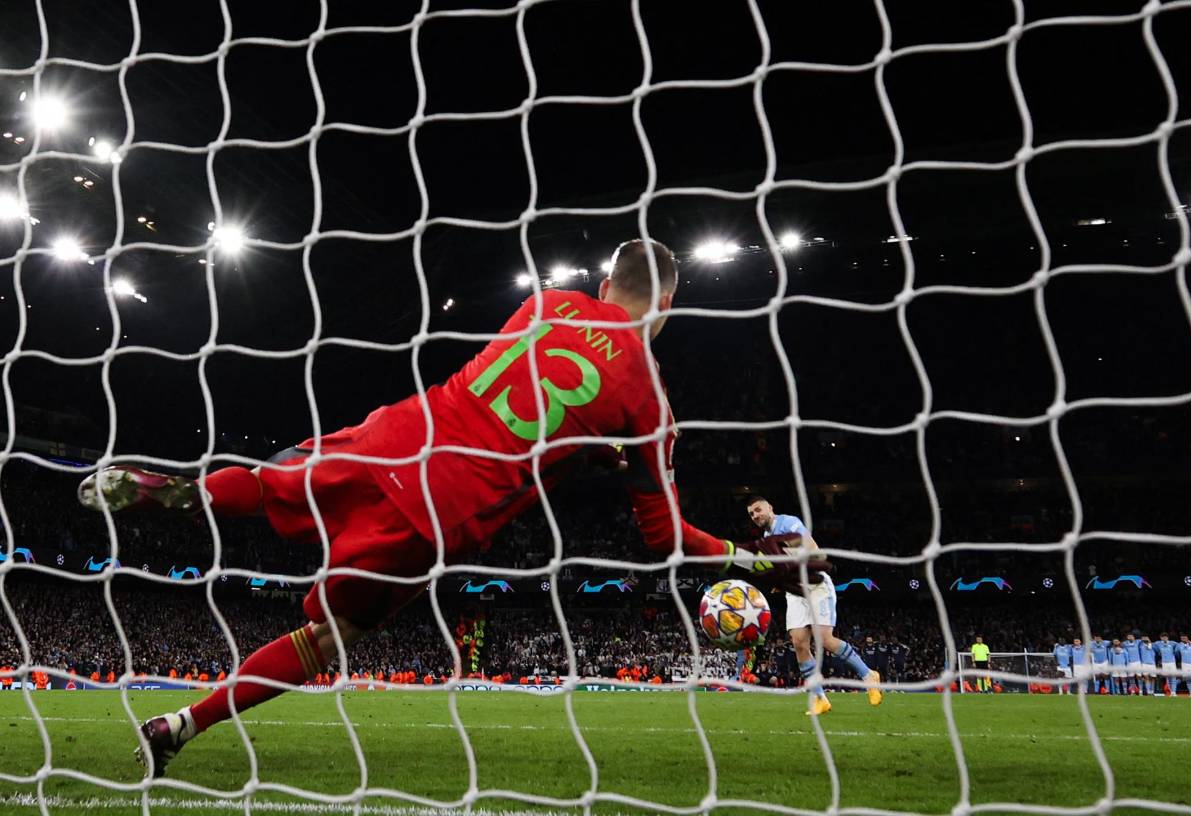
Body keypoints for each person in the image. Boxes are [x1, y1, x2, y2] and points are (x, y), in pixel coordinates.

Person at [77, 240, 810, 777]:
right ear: (671, 306)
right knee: (328, 636)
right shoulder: (650, 405)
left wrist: (588, 442)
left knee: (276, 480)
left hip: (399, 431)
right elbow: (662, 537)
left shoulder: (546, 303)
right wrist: (755, 563)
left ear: (602, 280)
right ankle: (180, 724)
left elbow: (540, 387)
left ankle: (178, 489)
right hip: (438, 507)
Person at [745, 495, 881, 715]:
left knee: (824, 639)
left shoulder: (788, 523)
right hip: (796, 590)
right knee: (799, 642)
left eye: (758, 510)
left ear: (770, 507)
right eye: (751, 514)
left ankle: (868, 675)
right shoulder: (767, 536)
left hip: (816, 583)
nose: (756, 516)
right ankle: (820, 698)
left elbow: (812, 547)